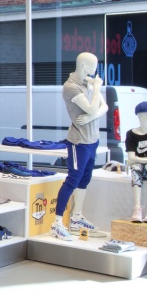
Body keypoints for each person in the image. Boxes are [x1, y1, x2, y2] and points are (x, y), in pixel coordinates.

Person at [51, 52, 107, 241]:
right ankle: (57, 223)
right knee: (73, 179)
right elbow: (93, 107)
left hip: (93, 139)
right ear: (84, 66)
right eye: (94, 66)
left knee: (85, 177)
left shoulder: (87, 84)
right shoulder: (71, 87)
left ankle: (77, 217)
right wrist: (97, 89)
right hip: (79, 141)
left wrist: (91, 117)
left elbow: (103, 107)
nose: (96, 70)